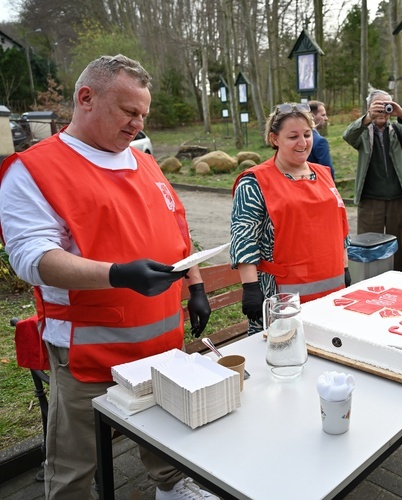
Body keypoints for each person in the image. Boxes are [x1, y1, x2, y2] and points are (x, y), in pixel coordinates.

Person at [0, 55, 217, 499]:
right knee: (74, 461)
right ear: (86, 98)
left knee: (164, 426)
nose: (138, 124)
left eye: (143, 115)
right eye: (128, 111)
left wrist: (195, 284)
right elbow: (30, 258)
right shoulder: (36, 169)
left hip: (159, 342)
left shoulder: (144, 162)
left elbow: (177, 229)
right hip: (90, 353)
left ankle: (171, 485)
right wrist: (118, 274)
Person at [231, 102, 350, 334]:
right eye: (293, 136)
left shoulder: (324, 174)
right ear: (275, 139)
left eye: (307, 134)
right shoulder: (254, 182)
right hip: (283, 301)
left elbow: (340, 227)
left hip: (331, 295)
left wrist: (345, 268)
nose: (303, 142)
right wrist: (251, 288)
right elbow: (244, 238)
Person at [343, 89, 402, 272]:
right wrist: (368, 118)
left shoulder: (397, 130)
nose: (382, 111)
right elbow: (348, 136)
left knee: (395, 244)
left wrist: (400, 113)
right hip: (371, 200)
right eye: (377, 105)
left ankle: (395, 279)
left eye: (386, 105)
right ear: (369, 108)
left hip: (397, 199)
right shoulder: (363, 131)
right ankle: (369, 281)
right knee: (368, 245)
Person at [307, 100, 335, 179]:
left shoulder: (297, 139)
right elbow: (327, 170)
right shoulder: (320, 142)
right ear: (312, 116)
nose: (326, 118)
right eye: (323, 115)